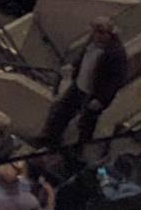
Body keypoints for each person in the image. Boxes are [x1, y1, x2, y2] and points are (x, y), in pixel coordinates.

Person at [40, 19, 130, 147]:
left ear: (110, 35)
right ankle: (50, 139)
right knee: (61, 112)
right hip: (79, 86)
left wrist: (101, 99)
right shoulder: (91, 43)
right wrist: (73, 66)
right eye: (95, 32)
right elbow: (83, 58)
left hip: (94, 94)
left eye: (101, 32)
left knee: (86, 123)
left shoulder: (115, 54)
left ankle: (80, 147)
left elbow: (116, 80)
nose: (96, 35)